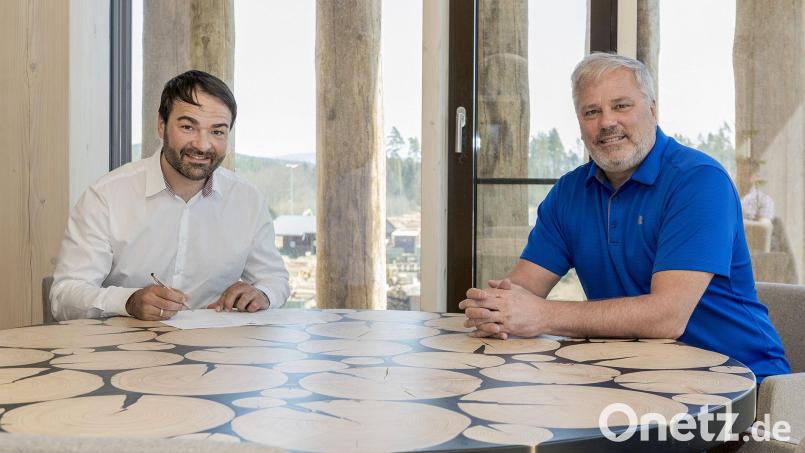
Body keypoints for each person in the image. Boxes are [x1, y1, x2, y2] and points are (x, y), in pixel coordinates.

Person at [460, 53, 790, 381]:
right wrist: (495, 307)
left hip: (740, 385)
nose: (607, 122)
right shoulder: (569, 192)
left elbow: (667, 317)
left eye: (621, 106)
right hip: (631, 380)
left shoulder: (700, 181)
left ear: (653, 109)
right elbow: (524, 287)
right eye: (592, 111)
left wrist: (542, 315)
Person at [51, 70, 289, 321]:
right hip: (122, 352)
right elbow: (64, 298)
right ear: (161, 126)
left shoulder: (247, 200)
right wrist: (128, 301)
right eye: (188, 127)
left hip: (218, 352)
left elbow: (274, 279)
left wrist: (262, 293)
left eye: (217, 132)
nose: (202, 145)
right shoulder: (105, 197)